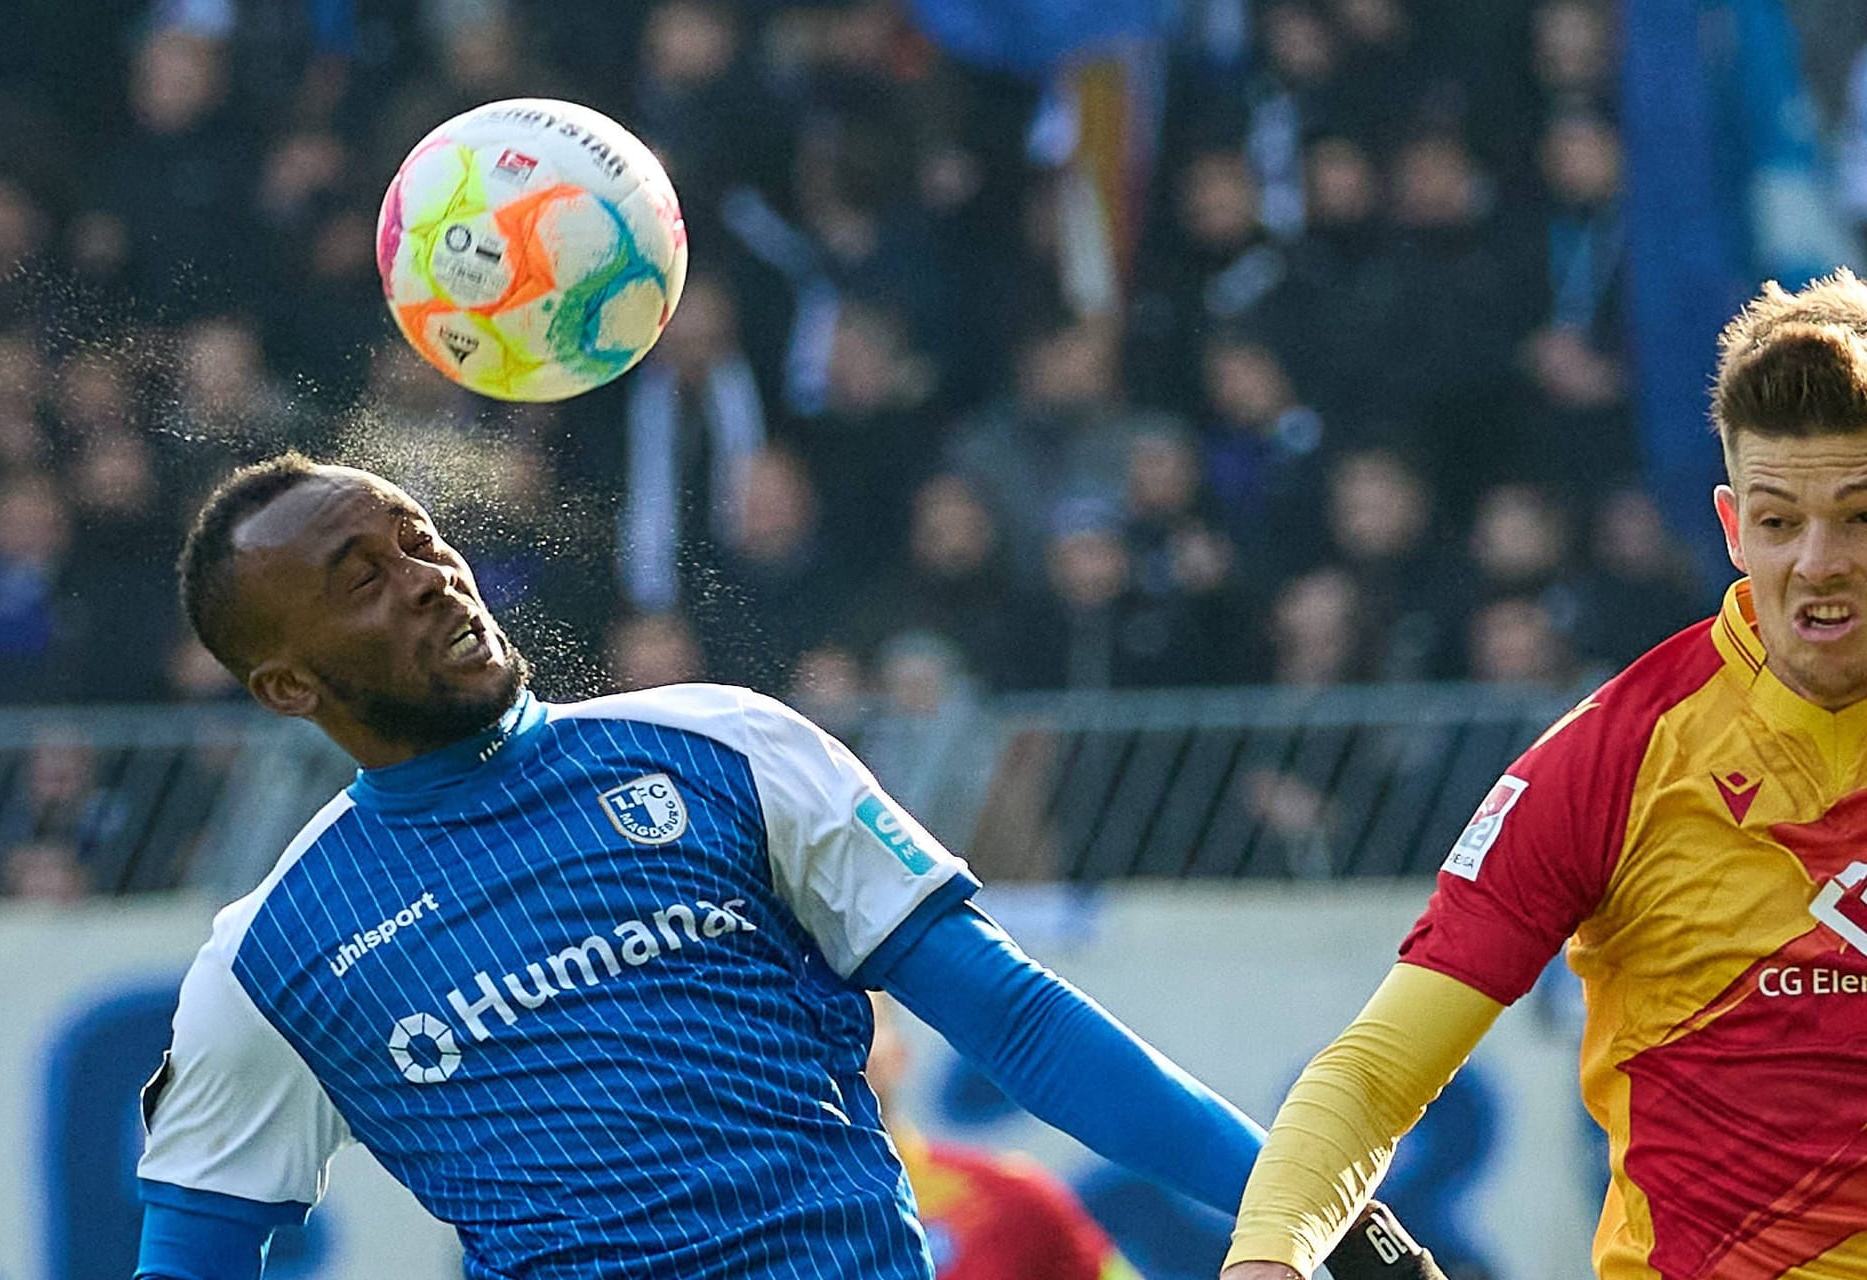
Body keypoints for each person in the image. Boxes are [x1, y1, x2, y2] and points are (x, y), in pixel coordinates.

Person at [134, 454, 1443, 1280]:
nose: (426, 579)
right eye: (360, 579)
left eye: (417, 537)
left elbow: (1023, 1026)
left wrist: (1312, 1216)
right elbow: (195, 1257)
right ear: (288, 683)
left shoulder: (723, 746)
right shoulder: (274, 958)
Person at [1220, 268, 1867, 1280]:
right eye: (1782, 522)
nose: (1819, 561)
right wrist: (1267, 1259)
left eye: (1858, 516)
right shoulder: (1613, 755)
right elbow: (1370, 1074)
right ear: (1735, 527)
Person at [864, 993, 1144, 1280]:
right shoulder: (819, 1217)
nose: (834, 1046)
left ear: (900, 1053)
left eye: (855, 1022)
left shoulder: (1010, 1199)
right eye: (815, 1028)